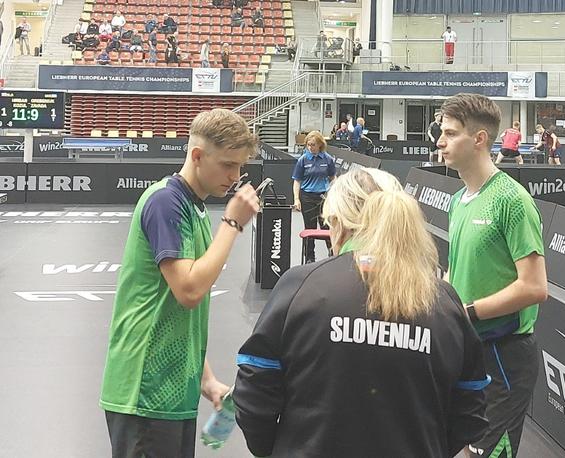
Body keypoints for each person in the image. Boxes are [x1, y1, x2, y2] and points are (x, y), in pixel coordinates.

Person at [233, 167, 490, 458]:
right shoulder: (444, 301)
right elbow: (470, 405)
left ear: (338, 223)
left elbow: (254, 386)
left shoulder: (300, 286)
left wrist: (272, 448)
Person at [100, 109, 260, 457]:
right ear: (197, 156)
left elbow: (177, 310)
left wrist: (206, 380)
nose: (235, 177)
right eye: (228, 165)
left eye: (240, 167)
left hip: (174, 392)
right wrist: (232, 224)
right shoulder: (165, 202)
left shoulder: (195, 207)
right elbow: (188, 291)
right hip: (144, 391)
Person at [438, 93, 548, 458]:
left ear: (479, 139)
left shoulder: (512, 200)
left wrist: (466, 312)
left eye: (451, 133)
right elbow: (456, 269)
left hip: (504, 356)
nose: (440, 141)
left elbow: (534, 287)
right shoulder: (458, 200)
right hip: (467, 349)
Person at [291, 131, 336, 263]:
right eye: (308, 145)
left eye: (313, 145)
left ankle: (333, 254)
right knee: (309, 228)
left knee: (326, 227)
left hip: (323, 198)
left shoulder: (328, 159)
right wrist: (296, 199)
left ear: (320, 145)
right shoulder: (303, 160)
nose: (310, 147)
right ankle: (310, 257)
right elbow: (297, 181)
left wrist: (335, 193)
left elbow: (333, 177)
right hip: (307, 197)